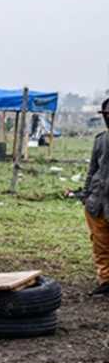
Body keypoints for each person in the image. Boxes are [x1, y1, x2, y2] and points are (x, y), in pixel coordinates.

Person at [82, 97, 109, 296]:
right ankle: (106, 281)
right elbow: (93, 170)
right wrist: (86, 195)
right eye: (106, 115)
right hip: (97, 203)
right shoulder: (101, 140)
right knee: (100, 245)